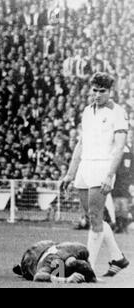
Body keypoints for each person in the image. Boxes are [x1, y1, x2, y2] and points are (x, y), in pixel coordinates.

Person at [61, 72, 130, 277]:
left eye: (102, 91)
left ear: (110, 92)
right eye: (95, 90)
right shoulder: (86, 111)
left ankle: (86, 269)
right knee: (93, 217)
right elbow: (81, 143)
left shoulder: (118, 113)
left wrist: (110, 175)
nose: (98, 95)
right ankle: (118, 258)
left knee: (95, 216)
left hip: (103, 166)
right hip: (85, 166)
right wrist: (70, 173)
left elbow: (119, 148)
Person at [13, 240, 97, 283]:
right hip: (32, 256)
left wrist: (92, 277)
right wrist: (66, 280)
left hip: (50, 244)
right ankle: (22, 269)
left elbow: (85, 263)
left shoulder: (81, 250)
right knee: (30, 272)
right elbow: (38, 276)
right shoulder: (54, 261)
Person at [112, 145, 134, 234]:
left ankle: (123, 226)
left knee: (124, 206)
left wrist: (131, 184)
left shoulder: (129, 157)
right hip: (116, 185)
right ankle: (118, 226)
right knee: (116, 207)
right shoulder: (113, 157)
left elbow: (131, 171)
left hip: (125, 185)